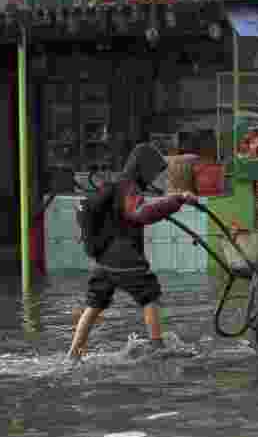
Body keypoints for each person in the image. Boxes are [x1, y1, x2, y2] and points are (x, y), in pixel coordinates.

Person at [67, 143, 197, 361]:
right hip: (124, 255)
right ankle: (157, 346)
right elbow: (141, 213)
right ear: (143, 168)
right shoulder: (129, 187)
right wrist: (178, 200)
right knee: (150, 294)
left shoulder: (116, 185)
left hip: (104, 257)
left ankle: (74, 354)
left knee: (95, 303)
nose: (155, 178)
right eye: (154, 172)